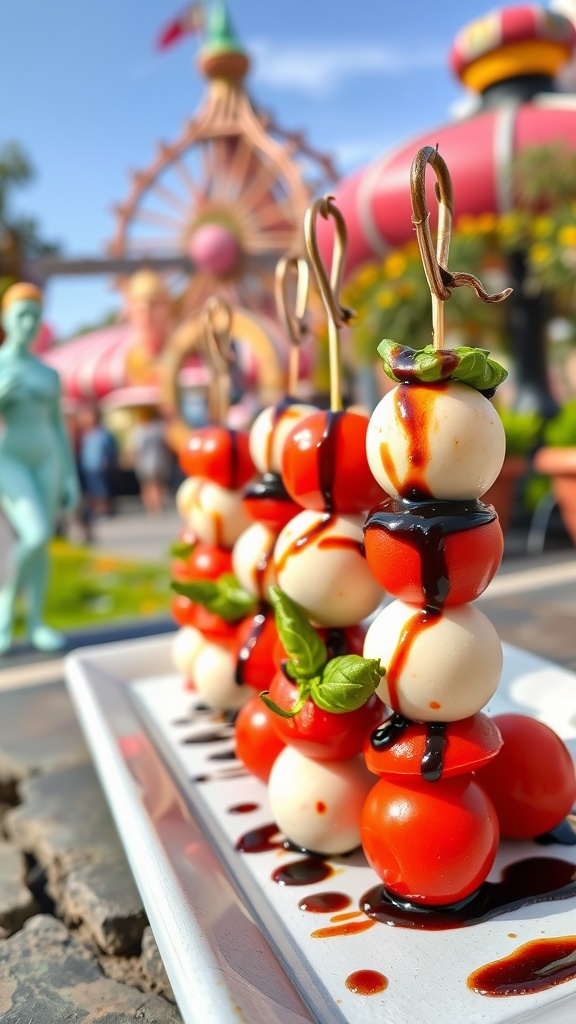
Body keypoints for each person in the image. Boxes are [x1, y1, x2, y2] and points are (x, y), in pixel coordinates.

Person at [0, 282, 79, 652]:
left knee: (42, 543)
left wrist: (71, 475)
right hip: (10, 458)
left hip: (48, 460)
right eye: (21, 315)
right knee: (31, 536)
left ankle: (35, 623)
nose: (28, 323)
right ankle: (4, 611)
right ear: (6, 319)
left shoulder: (48, 374)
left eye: (35, 316)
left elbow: (58, 427)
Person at [76, 405, 118, 527]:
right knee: (92, 490)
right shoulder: (83, 434)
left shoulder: (103, 433)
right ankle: (96, 511)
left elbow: (110, 450)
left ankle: (104, 510)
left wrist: (109, 461)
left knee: (102, 489)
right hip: (87, 466)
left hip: (99, 466)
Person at [131, 408, 172, 513]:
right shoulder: (159, 429)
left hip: (144, 462)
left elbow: (135, 449)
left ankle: (150, 506)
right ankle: (158, 505)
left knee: (147, 485)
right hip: (159, 461)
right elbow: (166, 446)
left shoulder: (138, 431)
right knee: (158, 484)